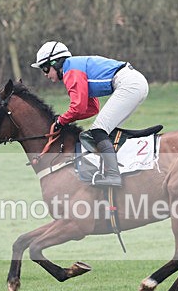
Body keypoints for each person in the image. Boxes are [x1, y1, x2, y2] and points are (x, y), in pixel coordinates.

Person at [30, 41, 149, 187]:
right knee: (102, 131)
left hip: (129, 84)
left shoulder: (71, 72)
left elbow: (78, 107)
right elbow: (92, 108)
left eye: (45, 68)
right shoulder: (74, 67)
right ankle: (118, 169)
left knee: (99, 130)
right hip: (133, 83)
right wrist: (64, 120)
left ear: (55, 62)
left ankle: (113, 175)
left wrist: (61, 121)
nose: (45, 74)